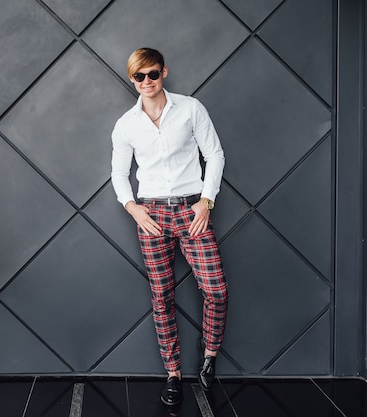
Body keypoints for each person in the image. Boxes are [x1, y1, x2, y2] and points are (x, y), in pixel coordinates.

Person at [110, 47, 228, 406]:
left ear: (164, 72)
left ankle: (208, 357)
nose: (146, 82)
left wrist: (206, 202)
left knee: (217, 290)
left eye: (152, 74)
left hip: (193, 212)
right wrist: (133, 209)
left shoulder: (191, 109)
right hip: (151, 217)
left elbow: (215, 154)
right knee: (162, 297)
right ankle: (173, 374)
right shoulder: (126, 124)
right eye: (138, 76)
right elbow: (118, 173)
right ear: (132, 79)